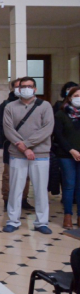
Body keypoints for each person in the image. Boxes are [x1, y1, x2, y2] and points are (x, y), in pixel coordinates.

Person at [2, 77, 54, 234]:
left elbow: (47, 129)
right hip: (17, 154)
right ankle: (13, 220)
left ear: (35, 89)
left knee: (40, 189)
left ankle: (41, 222)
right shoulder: (10, 107)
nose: (25, 89)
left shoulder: (45, 106)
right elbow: (8, 129)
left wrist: (28, 145)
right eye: (22, 86)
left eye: (29, 86)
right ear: (17, 89)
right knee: (16, 188)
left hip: (41, 154)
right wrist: (24, 148)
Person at [0, 79, 33, 210]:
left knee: (26, 173)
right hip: (9, 144)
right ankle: (7, 199)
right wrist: (0, 142)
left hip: (28, 144)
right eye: (17, 87)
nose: (21, 89)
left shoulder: (33, 104)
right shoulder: (5, 104)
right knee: (8, 174)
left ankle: (23, 199)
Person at [54, 86, 80, 229]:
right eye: (76, 95)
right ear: (69, 98)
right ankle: (68, 216)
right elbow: (58, 135)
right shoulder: (61, 114)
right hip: (66, 155)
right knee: (69, 186)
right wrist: (71, 150)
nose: (78, 98)